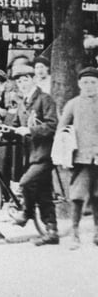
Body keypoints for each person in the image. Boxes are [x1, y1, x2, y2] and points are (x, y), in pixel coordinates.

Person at [10, 64, 59, 246]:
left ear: (33, 79)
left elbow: (53, 125)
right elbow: (15, 126)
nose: (22, 84)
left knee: (26, 183)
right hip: (30, 156)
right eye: (19, 81)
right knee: (43, 193)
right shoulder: (23, 103)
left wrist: (30, 130)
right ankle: (52, 231)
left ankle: (26, 212)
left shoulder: (45, 99)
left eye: (25, 80)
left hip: (45, 154)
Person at [58, 66, 98, 249]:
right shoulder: (73, 104)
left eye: (93, 82)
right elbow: (61, 130)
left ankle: (97, 232)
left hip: (97, 158)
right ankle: (74, 233)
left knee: (97, 195)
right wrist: (65, 153)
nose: (89, 86)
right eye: (85, 82)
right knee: (77, 196)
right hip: (79, 158)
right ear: (79, 84)